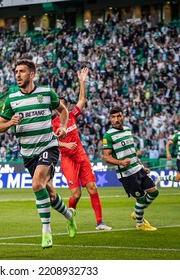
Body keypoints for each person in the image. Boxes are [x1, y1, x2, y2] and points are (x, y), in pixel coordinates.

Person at [0, 56, 77, 249]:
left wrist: (63, 128)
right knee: (49, 194)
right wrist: (10, 123)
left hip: (48, 146)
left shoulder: (46, 93)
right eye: (16, 72)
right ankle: (69, 215)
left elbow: (63, 111)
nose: (18, 75)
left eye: (21, 72)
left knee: (36, 183)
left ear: (32, 74)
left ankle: (46, 231)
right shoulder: (12, 99)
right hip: (28, 154)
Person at [52, 67, 112, 231]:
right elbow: (51, 142)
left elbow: (82, 100)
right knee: (76, 195)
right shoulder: (53, 124)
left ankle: (100, 222)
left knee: (93, 187)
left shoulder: (71, 116)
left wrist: (81, 82)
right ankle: (70, 216)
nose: (62, 107)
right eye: (60, 105)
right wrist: (65, 145)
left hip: (81, 156)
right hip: (67, 160)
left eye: (64, 105)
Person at [103, 106, 159, 231]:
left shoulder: (128, 130)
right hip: (127, 174)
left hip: (138, 169)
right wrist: (121, 162)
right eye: (113, 117)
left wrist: (142, 166)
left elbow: (132, 152)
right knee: (141, 198)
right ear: (110, 119)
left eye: (118, 116)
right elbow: (106, 157)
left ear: (123, 116)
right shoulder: (108, 135)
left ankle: (137, 212)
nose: (116, 119)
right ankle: (140, 224)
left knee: (154, 192)